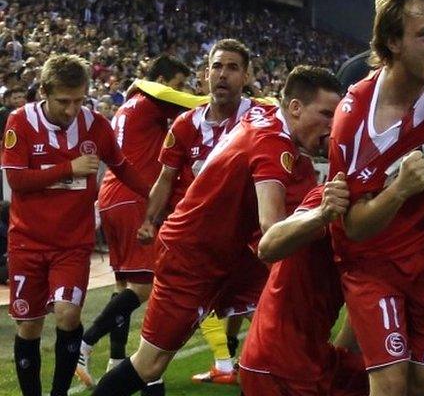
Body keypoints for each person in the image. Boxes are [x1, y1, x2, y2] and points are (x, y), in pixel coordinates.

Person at [92, 64, 342, 396]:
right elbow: (271, 230)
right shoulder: (273, 143)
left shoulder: (266, 121)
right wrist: (324, 216)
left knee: (279, 328)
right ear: (294, 108)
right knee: (151, 362)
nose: (332, 124)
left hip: (230, 255)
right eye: (326, 114)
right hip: (191, 257)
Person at [328, 0, 424, 396]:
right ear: (393, 42)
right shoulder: (355, 118)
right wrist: (399, 190)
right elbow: (353, 226)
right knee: (391, 383)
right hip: (372, 267)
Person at [2, 53, 148, 396]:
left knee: (67, 315)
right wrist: (69, 168)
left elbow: (123, 167)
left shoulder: (95, 124)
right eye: (63, 101)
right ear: (43, 92)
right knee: (29, 326)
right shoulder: (20, 122)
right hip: (27, 242)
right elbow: (16, 180)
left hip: (73, 243)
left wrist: (158, 200)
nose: (71, 110)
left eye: (79, 100)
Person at [136, 40, 270, 386]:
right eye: (217, 66)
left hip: (250, 244)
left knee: (277, 317)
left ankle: (246, 366)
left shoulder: (262, 119)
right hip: (198, 248)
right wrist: (150, 220)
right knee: (157, 346)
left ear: (247, 76)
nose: (222, 74)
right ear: (205, 73)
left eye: (232, 67)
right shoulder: (184, 125)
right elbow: (165, 180)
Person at [75, 55, 191, 389]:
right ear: (161, 80)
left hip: (112, 194)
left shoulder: (129, 105)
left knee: (123, 287)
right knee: (146, 288)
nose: (179, 92)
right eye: (177, 85)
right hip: (135, 198)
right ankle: (86, 343)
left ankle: (115, 360)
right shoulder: (153, 99)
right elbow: (193, 109)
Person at [239, 179, 367, 395]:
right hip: (277, 363)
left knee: (395, 376)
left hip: (315, 357)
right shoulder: (332, 197)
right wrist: (322, 214)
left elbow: (361, 304)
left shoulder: (385, 216)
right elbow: (268, 246)